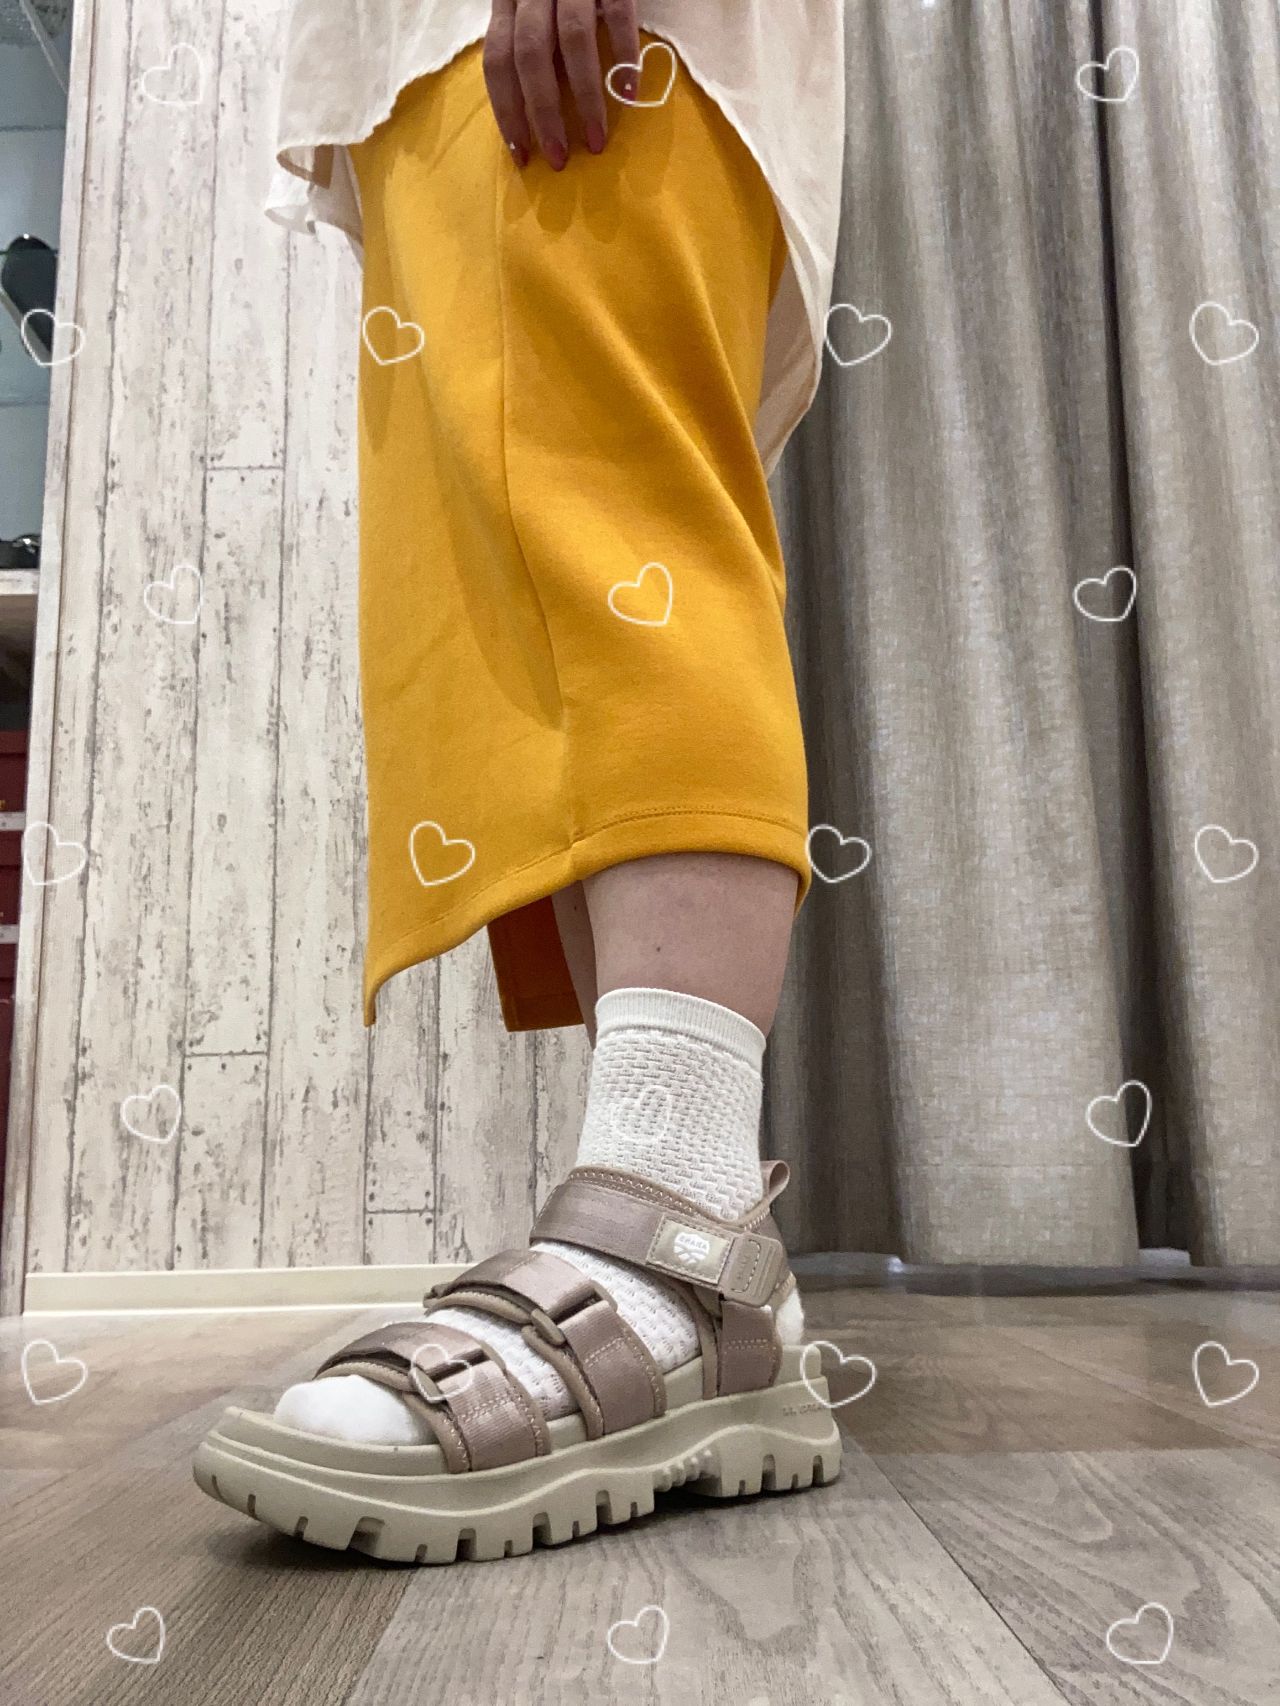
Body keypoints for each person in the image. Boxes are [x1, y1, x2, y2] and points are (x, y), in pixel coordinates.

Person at [193, 0, 848, 1562]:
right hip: (416, 62)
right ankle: (698, 1264)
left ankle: (674, 1226)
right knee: (529, 597)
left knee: (618, 531)